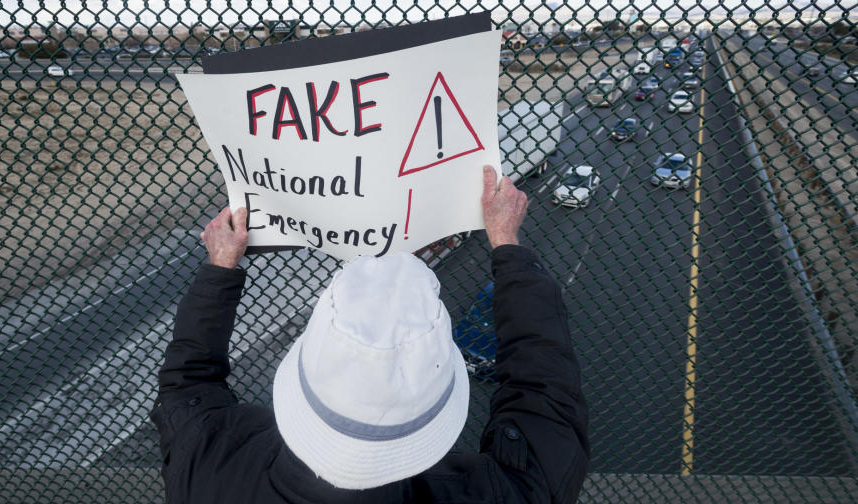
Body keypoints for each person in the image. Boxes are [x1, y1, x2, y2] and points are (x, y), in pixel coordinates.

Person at [152, 165, 589, 503]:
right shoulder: (493, 493)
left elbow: (185, 381)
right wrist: (506, 242)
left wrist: (220, 267)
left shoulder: (207, 463)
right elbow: (547, 394)